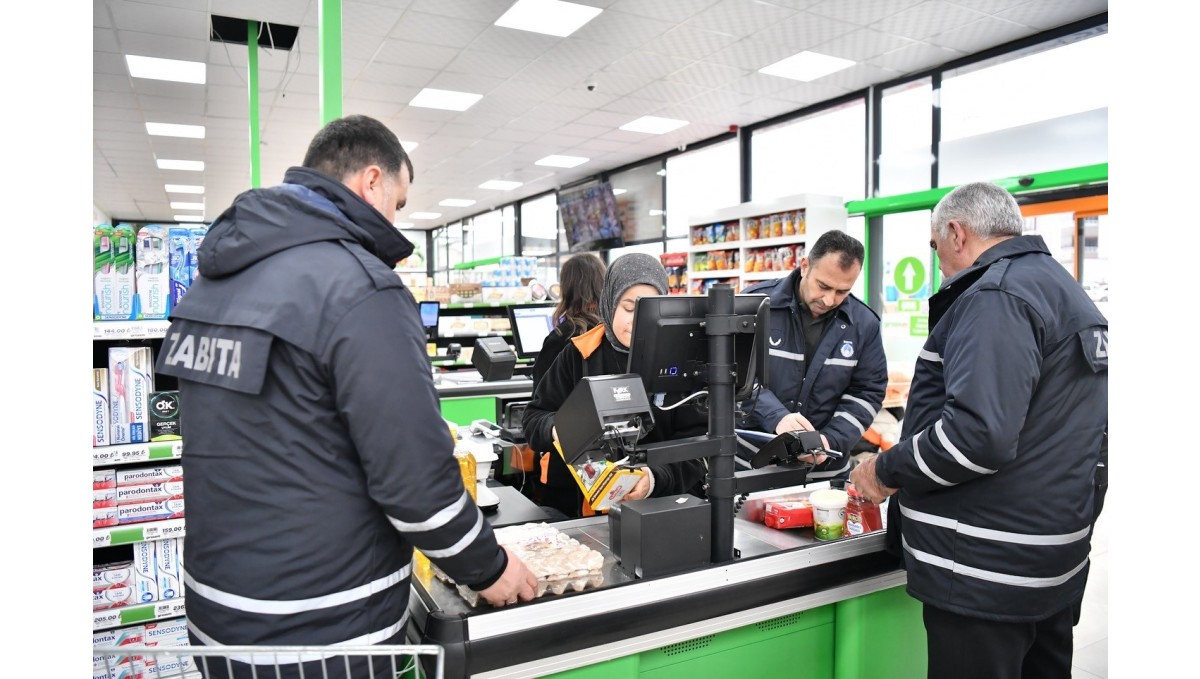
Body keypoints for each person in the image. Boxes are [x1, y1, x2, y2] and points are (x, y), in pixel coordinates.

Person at [154, 115, 538, 677]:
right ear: (372, 181)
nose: (397, 218)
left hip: (217, 615)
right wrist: (489, 567)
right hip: (322, 631)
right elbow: (416, 483)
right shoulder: (359, 288)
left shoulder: (217, 280)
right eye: (400, 203)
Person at [849, 182, 1108, 679]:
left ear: (955, 233)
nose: (938, 261)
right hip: (1051, 561)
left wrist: (884, 470)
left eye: (934, 246)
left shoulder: (996, 297)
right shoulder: (1062, 288)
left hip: (987, 572)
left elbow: (977, 436)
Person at [522, 253, 707, 518]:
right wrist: (557, 428)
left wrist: (654, 479)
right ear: (609, 304)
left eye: (649, 308)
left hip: (665, 513)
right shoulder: (579, 354)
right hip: (582, 512)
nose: (636, 320)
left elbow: (699, 445)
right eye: (629, 308)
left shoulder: (684, 360)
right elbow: (533, 418)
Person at [739, 229, 888, 480]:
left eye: (843, 291)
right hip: (749, 461)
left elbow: (867, 392)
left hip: (824, 470)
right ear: (805, 266)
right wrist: (777, 417)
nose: (830, 300)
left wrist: (830, 440)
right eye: (823, 286)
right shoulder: (753, 304)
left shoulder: (864, 324)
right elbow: (732, 373)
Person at [528, 253, 606, 514]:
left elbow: (541, 403)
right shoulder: (610, 334)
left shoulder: (561, 338)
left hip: (566, 470)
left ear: (567, 287)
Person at [530, 253, 605, 391]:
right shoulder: (615, 331)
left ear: (566, 289)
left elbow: (540, 398)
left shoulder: (561, 338)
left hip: (571, 412)